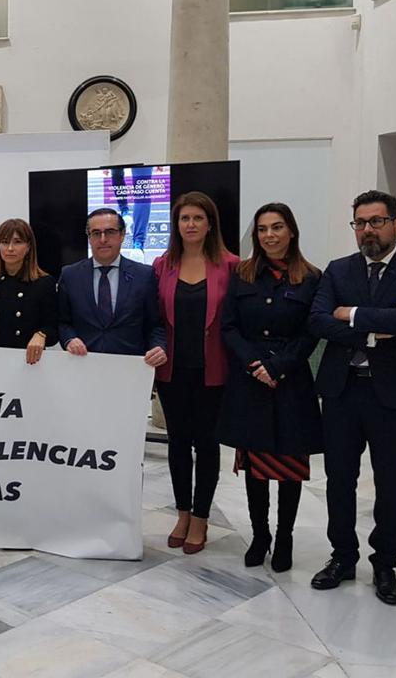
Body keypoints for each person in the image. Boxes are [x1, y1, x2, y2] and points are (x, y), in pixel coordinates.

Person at [308, 190, 396, 605]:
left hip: (393, 394)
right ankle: (342, 557)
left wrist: (348, 314)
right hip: (342, 390)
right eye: (360, 223)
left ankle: (385, 564)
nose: (367, 230)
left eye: (376, 221)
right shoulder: (337, 270)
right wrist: (378, 327)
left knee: (390, 480)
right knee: (339, 479)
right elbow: (316, 320)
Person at [218, 203, 322, 574]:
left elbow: (312, 331)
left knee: (289, 466)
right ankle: (260, 535)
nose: (269, 235)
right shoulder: (243, 274)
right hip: (251, 383)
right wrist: (253, 364)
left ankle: (285, 536)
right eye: (262, 229)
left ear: (291, 231)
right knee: (256, 466)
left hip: (290, 383)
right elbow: (228, 327)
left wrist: (277, 366)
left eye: (277, 227)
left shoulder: (311, 277)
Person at [153, 191, 239, 554]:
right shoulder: (162, 264)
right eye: (184, 219)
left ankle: (201, 517)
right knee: (177, 443)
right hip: (172, 371)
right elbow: (155, 317)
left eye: (197, 218)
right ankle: (183, 512)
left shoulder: (231, 265)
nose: (190, 225)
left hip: (213, 370)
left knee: (206, 445)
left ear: (210, 224)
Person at [57, 208, 166, 365]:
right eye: (96, 233)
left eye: (110, 232)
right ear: (89, 237)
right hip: (82, 365)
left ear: (122, 235)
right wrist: (69, 339)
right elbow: (63, 322)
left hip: (130, 369)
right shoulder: (70, 275)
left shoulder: (145, 275)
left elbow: (155, 325)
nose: (103, 239)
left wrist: (158, 347)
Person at [0, 218, 58, 364]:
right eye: (5, 242)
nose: (10, 248)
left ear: (28, 247)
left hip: (28, 362)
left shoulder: (44, 283)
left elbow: (53, 328)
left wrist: (42, 335)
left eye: (17, 242)